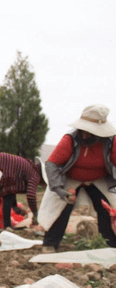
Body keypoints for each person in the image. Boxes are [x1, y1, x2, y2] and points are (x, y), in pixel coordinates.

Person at [39, 104, 116, 253]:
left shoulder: (111, 142)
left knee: (107, 208)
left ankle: (111, 245)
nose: (85, 136)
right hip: (71, 177)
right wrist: (60, 190)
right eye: (83, 131)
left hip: (99, 179)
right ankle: (50, 243)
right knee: (61, 207)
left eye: (90, 132)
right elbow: (52, 164)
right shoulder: (70, 139)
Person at [0, 151, 42, 230]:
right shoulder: (35, 175)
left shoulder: (27, 167)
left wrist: (14, 206)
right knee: (8, 196)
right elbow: (31, 195)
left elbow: (13, 187)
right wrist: (35, 212)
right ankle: (7, 226)